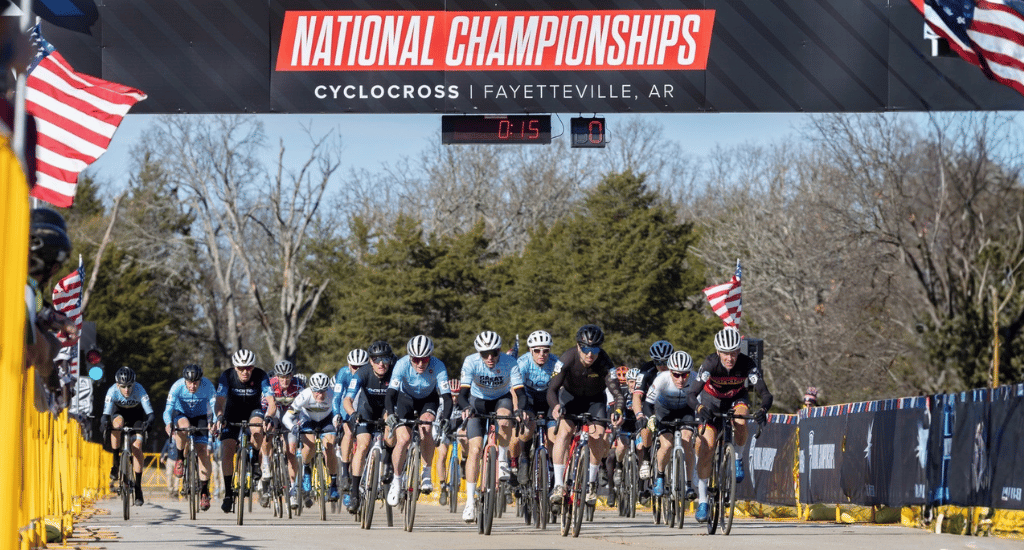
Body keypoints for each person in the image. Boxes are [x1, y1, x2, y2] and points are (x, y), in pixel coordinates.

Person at [687, 327, 773, 523]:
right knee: (707, 447)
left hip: (736, 399)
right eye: (725, 353)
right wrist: (700, 408)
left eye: (734, 352)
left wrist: (763, 410)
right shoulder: (710, 364)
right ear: (718, 352)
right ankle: (703, 501)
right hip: (711, 401)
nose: (730, 358)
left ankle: (738, 458)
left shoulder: (747, 364)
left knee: (741, 420)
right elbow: (691, 394)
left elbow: (765, 394)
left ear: (739, 351)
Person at [547, 324, 624, 507]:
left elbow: (618, 394)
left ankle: (590, 483)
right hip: (570, 398)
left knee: (597, 436)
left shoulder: (605, 362)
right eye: (586, 349)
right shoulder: (567, 358)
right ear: (578, 345)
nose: (590, 354)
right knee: (564, 432)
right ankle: (558, 484)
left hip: (595, 400)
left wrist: (618, 411)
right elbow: (552, 389)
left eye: (595, 349)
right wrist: (556, 406)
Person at [457, 331, 525, 522]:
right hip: (477, 401)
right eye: (485, 354)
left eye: (494, 353)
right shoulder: (471, 362)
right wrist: (467, 408)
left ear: (500, 351)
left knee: (505, 418)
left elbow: (520, 393)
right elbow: (462, 395)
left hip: (500, 399)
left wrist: (520, 409)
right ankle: (470, 503)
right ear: (479, 353)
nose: (489, 358)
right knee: (475, 450)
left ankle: (502, 458)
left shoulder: (510, 362)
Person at [384, 335, 452, 507]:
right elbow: (391, 393)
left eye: (425, 359)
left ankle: (426, 472)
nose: (421, 364)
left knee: (427, 426)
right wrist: (391, 413)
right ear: (410, 357)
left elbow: (447, 397)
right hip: (405, 398)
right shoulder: (401, 364)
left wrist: (446, 418)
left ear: (431, 357)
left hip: (428, 399)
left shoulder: (438, 366)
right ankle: (397, 481)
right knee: (403, 439)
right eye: (416, 360)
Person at [214, 348, 274, 514]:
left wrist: (269, 416)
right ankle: (228, 493)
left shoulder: (261, 375)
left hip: (253, 411)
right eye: (241, 368)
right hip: (232, 412)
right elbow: (219, 402)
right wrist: (219, 416)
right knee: (227, 450)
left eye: (248, 367)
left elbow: (271, 401)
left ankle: (254, 460)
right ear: (235, 368)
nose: (245, 371)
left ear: (253, 367)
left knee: (257, 428)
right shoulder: (227, 376)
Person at [342, 340, 396, 514]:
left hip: (387, 409)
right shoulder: (362, 373)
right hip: (366, 410)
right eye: (377, 360)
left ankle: (387, 461)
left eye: (385, 359)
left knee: (391, 430)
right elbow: (347, 399)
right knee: (363, 445)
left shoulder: (395, 372)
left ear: (390, 360)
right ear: (371, 361)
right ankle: (355, 492)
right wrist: (352, 414)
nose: (381, 364)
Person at [24, 208, 76, 387]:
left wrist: (60, 321)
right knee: (52, 344)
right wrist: (50, 373)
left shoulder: (28, 289)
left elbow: (39, 308)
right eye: (54, 266)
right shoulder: (22, 290)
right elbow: (35, 350)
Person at [99, 366, 155, 506]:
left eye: (130, 386)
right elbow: (105, 415)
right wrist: (104, 423)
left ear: (134, 384)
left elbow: (150, 414)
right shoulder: (112, 391)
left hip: (136, 416)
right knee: (116, 425)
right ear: (117, 385)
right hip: (119, 414)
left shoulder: (140, 390)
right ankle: (116, 462)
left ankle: (138, 487)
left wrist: (148, 423)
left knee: (137, 447)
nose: (127, 390)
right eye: (123, 386)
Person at [163, 363, 216, 511]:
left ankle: (204, 491)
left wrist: (215, 423)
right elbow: (168, 410)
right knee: (183, 426)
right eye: (190, 383)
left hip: (201, 417)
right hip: (182, 415)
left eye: (196, 383)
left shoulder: (208, 386)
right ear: (184, 380)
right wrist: (168, 424)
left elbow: (215, 406)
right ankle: (180, 457)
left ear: (201, 380)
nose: (192, 386)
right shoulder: (177, 387)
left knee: (203, 452)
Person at [283, 372, 342, 503]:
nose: (320, 395)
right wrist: (292, 427)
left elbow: (339, 413)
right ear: (311, 389)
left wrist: (339, 422)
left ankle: (333, 484)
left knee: (330, 447)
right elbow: (286, 417)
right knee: (310, 446)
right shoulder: (304, 395)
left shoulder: (333, 395)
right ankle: (306, 468)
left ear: (327, 389)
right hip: (308, 419)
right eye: (316, 392)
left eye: (323, 391)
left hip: (327, 420)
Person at [646, 351, 697, 501]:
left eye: (685, 374)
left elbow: (702, 403)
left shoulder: (695, 379)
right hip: (665, 411)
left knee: (687, 441)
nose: (681, 379)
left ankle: (688, 484)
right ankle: (660, 477)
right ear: (670, 372)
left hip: (686, 410)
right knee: (667, 444)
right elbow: (648, 404)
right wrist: (651, 418)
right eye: (676, 375)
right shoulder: (662, 379)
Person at [510, 330, 558, 487]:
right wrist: (517, 409)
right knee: (527, 429)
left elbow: (563, 387)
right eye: (537, 350)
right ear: (531, 350)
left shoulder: (556, 363)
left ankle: (551, 466)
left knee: (553, 436)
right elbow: (515, 390)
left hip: (548, 401)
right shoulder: (522, 363)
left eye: (546, 350)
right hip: (528, 399)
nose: (541, 354)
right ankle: (524, 458)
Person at [261, 359, 305, 509]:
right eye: (282, 377)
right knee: (268, 429)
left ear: (292, 375)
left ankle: (293, 490)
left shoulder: (299, 385)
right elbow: (264, 406)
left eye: (288, 376)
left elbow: (303, 407)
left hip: (291, 417)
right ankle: (266, 462)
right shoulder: (270, 384)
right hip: (275, 413)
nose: (285, 380)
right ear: (277, 376)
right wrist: (267, 420)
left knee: (291, 452)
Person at [632, 340, 673, 485]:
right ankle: (646, 458)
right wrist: (639, 415)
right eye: (658, 362)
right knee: (646, 425)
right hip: (651, 405)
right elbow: (637, 395)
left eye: (665, 361)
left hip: (671, 405)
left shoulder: (677, 369)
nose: (662, 366)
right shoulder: (646, 370)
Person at [334, 349, 369, 496]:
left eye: (361, 367)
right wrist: (336, 414)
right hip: (349, 403)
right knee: (348, 431)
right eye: (354, 367)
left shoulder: (370, 373)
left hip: (365, 403)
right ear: (349, 364)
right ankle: (344, 470)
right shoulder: (343, 373)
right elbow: (337, 397)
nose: (357, 370)